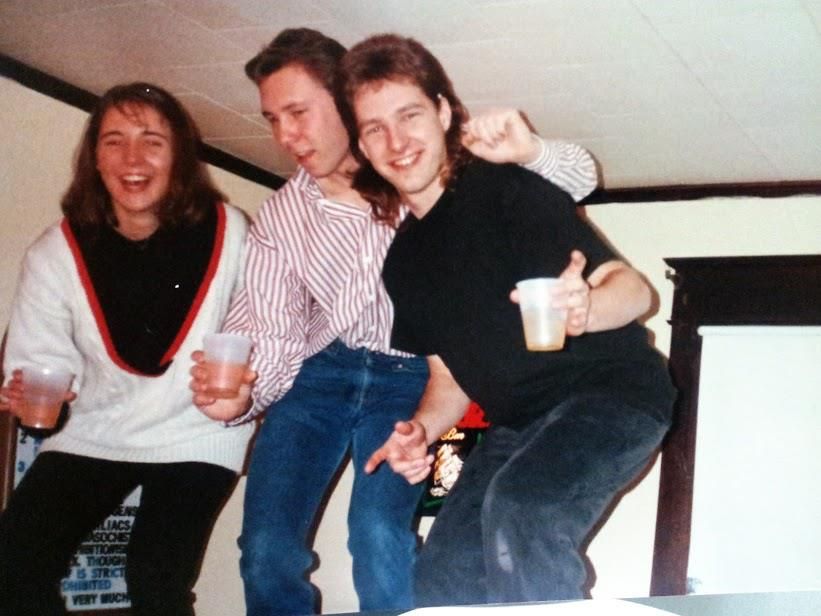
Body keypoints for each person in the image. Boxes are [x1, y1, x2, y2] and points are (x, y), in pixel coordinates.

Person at [189, 28, 598, 615]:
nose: (285, 135)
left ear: (345, 101)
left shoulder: (421, 167)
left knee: (378, 536)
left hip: (413, 375)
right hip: (320, 375)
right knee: (265, 548)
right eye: (273, 118)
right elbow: (272, 332)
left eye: (299, 112)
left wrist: (529, 151)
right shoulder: (283, 215)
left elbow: (577, 177)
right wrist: (242, 398)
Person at [338, 34, 677, 606]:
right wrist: (421, 430)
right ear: (362, 146)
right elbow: (448, 379)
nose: (395, 141)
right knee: (443, 577)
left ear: (444, 113)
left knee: (523, 513)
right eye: (374, 128)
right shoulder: (403, 262)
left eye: (410, 116)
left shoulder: (502, 190)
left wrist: (588, 309)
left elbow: (634, 290)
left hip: (614, 395)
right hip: (517, 423)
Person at [0, 82, 254, 616]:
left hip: (197, 433)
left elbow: (263, 332)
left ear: (179, 155)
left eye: (151, 141)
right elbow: (40, 363)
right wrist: (30, 400)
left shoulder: (229, 231)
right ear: (94, 157)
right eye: (113, 141)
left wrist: (251, 396)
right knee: (13, 563)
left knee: (155, 578)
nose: (132, 159)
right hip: (97, 430)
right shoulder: (56, 251)